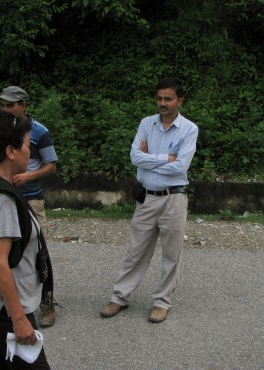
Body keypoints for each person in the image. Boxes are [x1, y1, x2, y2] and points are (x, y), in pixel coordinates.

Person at [100, 77, 199, 323]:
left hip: (173, 200)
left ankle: (162, 302)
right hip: (146, 199)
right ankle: (119, 298)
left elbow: (181, 167)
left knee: (171, 255)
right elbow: (135, 158)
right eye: (159, 98)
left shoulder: (190, 129)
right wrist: (166, 158)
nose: (162, 103)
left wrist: (150, 159)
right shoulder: (146, 124)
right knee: (135, 251)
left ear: (179, 101)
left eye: (168, 99)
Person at [0, 110, 51, 369]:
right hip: (6, 308)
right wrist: (19, 319)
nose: (30, 152)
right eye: (27, 145)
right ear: (10, 151)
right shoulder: (2, 201)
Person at [0, 86, 58, 328]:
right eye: (2, 105)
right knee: (5, 252)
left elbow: (51, 165)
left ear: (23, 105)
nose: (5, 109)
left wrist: (28, 177)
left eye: (10, 105)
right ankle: (11, 302)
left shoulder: (40, 131)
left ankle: (47, 303)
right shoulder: (0, 129)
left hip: (31, 199)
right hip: (4, 198)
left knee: (38, 253)